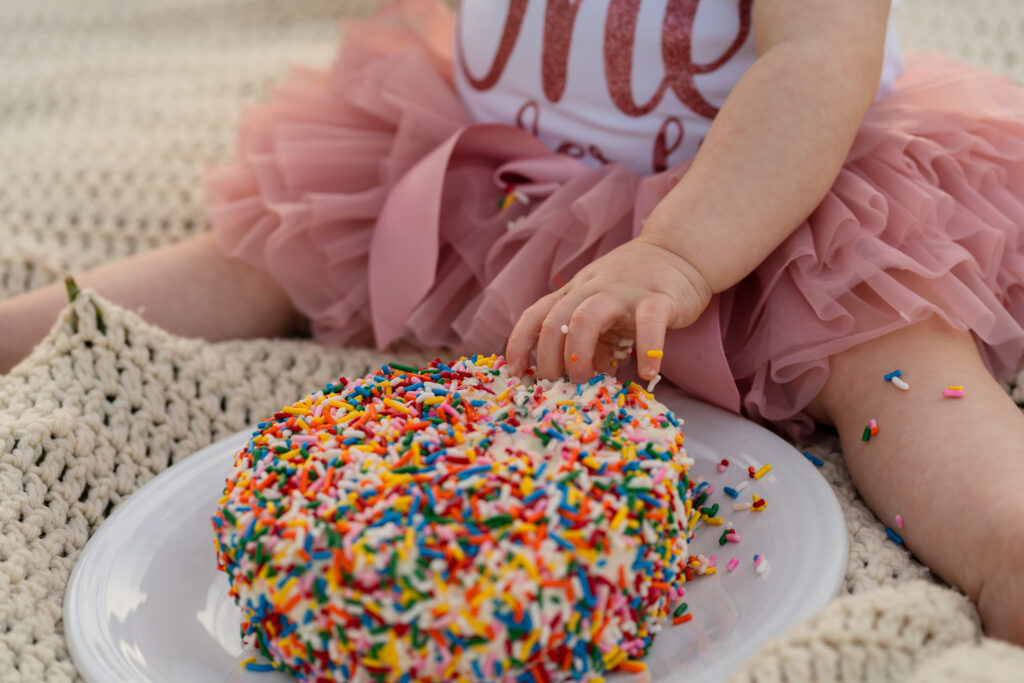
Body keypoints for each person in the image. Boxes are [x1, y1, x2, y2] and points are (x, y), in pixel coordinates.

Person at [2, 0, 1024, 647]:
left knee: (887, 354)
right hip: (502, 180)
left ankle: (1001, 533)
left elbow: (814, 69)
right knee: (281, 245)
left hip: (777, 195)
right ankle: (27, 326)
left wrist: (678, 253)